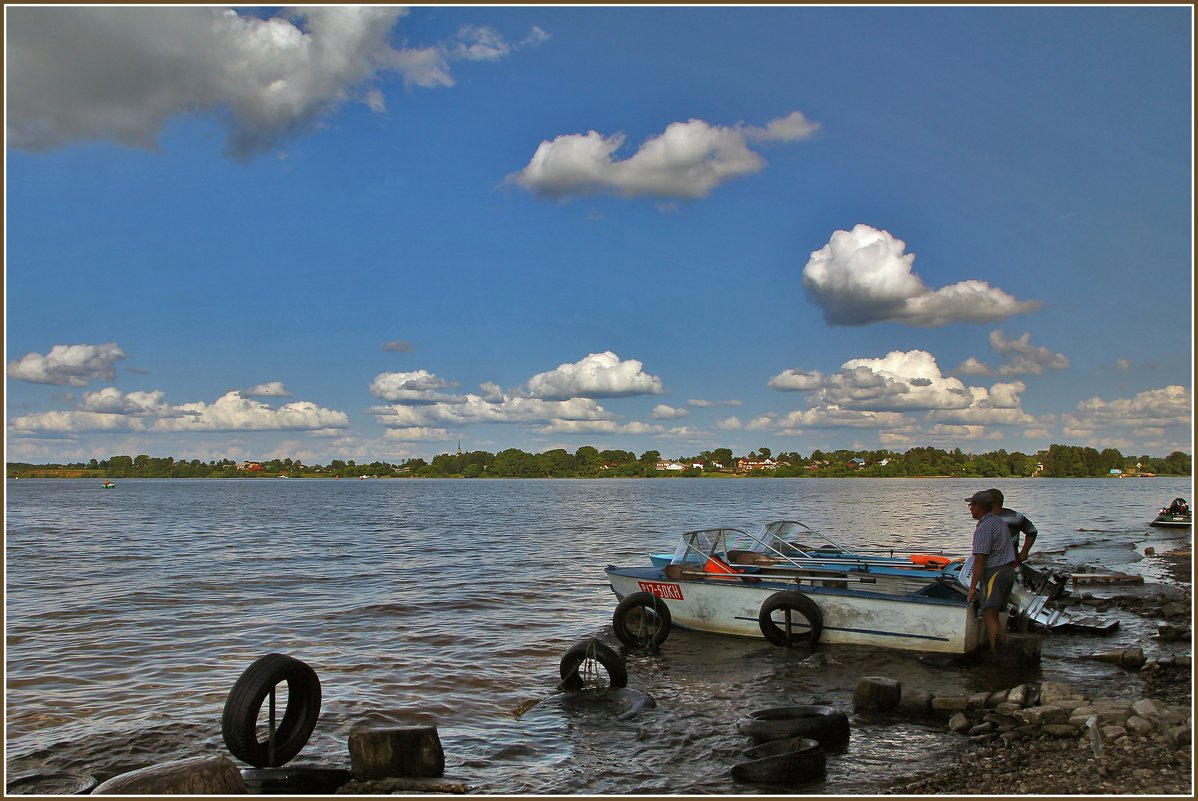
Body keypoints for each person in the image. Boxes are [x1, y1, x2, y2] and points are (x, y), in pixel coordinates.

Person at [965, 489, 1018, 652]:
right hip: (1008, 572)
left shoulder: (984, 528)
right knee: (995, 612)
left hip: (995, 573)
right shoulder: (999, 522)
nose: (970, 508)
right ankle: (998, 646)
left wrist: (972, 587)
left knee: (989, 612)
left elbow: (980, 560)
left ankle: (996, 651)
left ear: (980, 506)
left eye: (972, 504)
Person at [987, 487, 1038, 565]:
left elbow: (1032, 531)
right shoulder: (985, 517)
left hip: (1010, 559)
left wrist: (1024, 552)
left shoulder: (1014, 516)